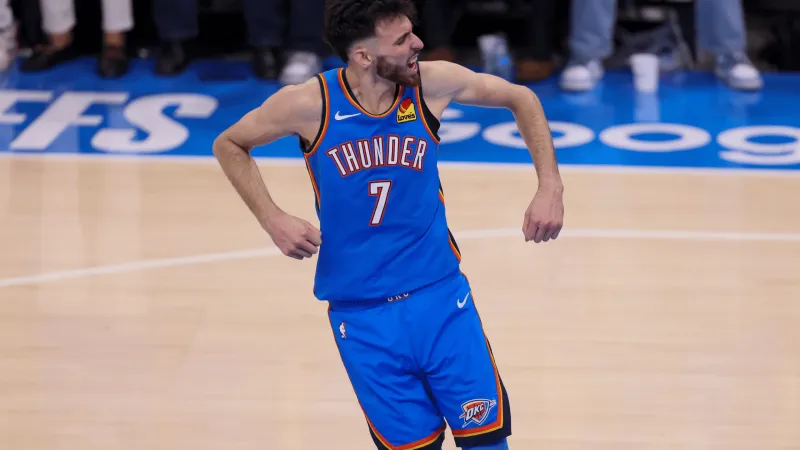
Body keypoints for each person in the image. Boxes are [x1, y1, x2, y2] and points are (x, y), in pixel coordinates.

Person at [212, 0, 564, 448]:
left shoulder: (431, 84)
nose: (418, 43)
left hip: (441, 300)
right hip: (362, 317)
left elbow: (521, 97)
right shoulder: (308, 104)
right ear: (363, 55)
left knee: (487, 442)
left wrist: (550, 185)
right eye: (402, 40)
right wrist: (272, 217)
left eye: (412, 31)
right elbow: (230, 144)